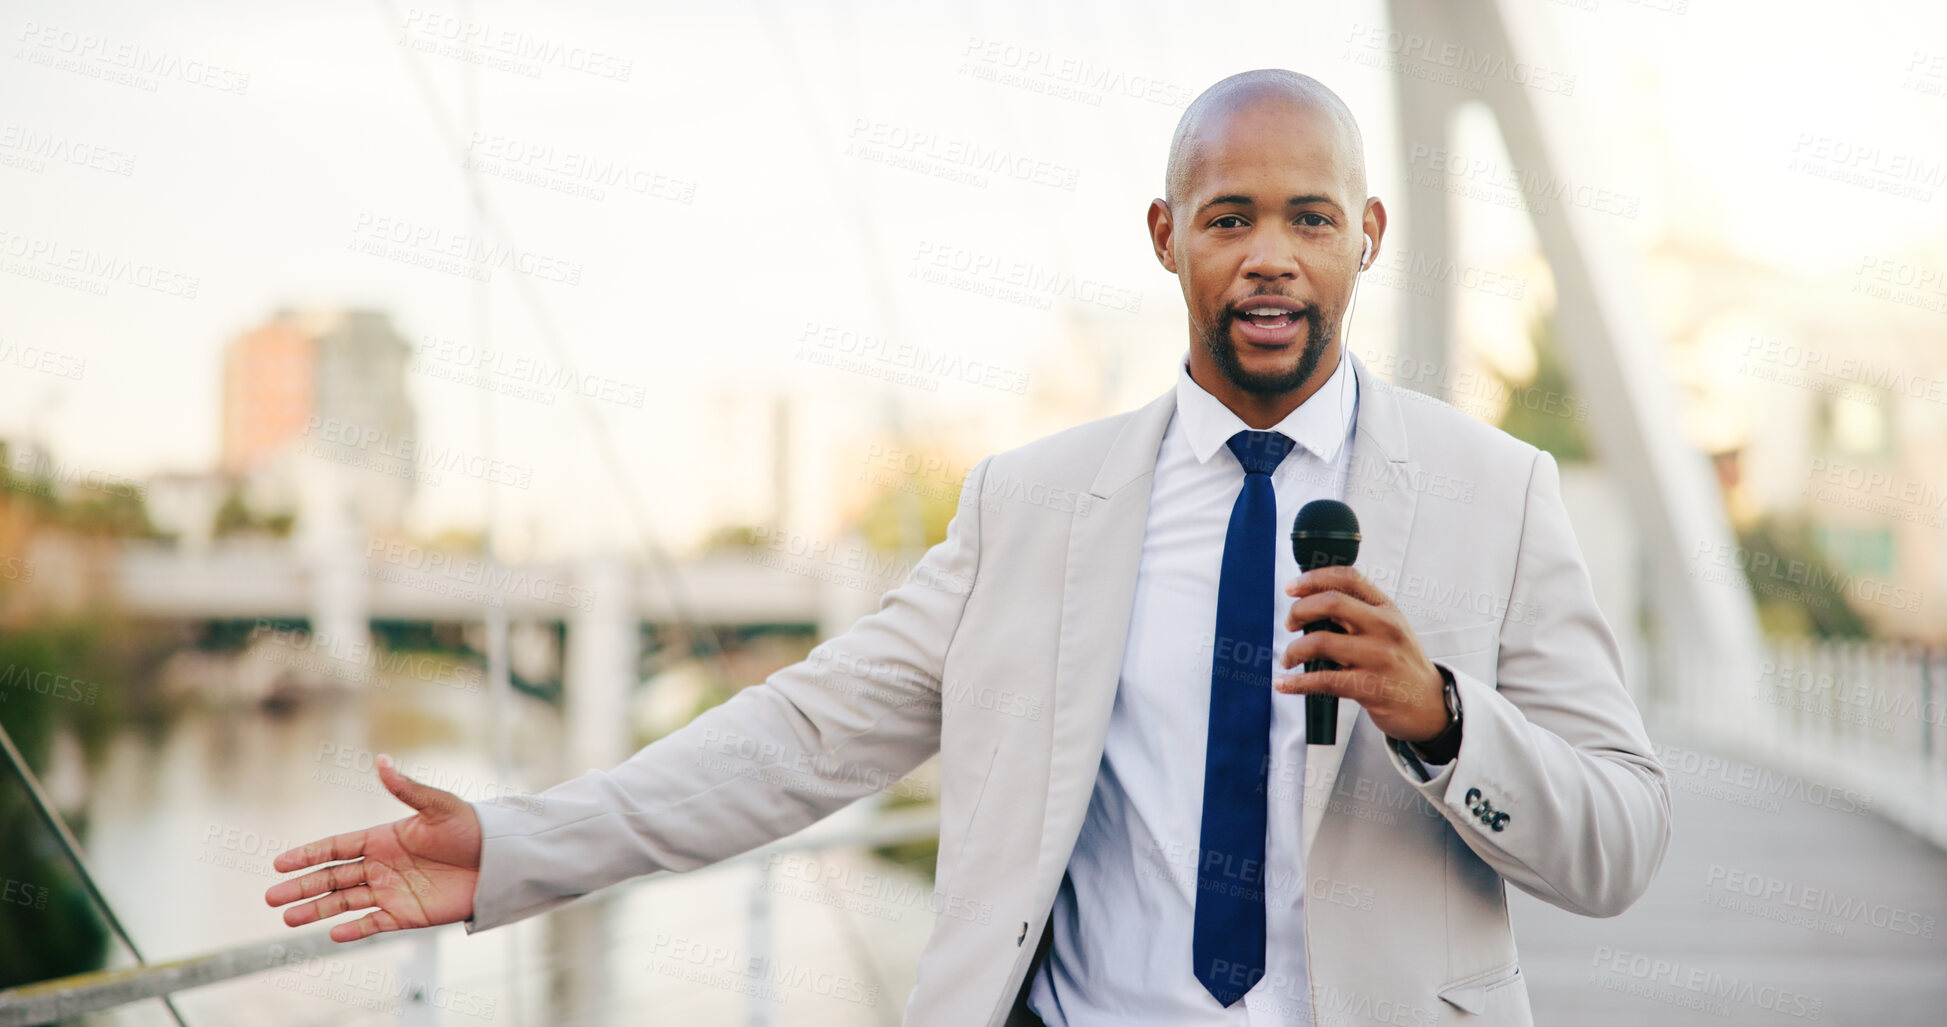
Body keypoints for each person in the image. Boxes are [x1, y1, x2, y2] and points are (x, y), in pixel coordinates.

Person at [267, 69, 1670, 1026]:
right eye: (1229, 217)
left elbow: (1620, 847)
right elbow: (802, 736)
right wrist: (518, 847)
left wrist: (1439, 720)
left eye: (1310, 218)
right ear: (1165, 236)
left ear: (1367, 236)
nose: (1269, 258)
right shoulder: (1032, 507)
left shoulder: (1501, 492)